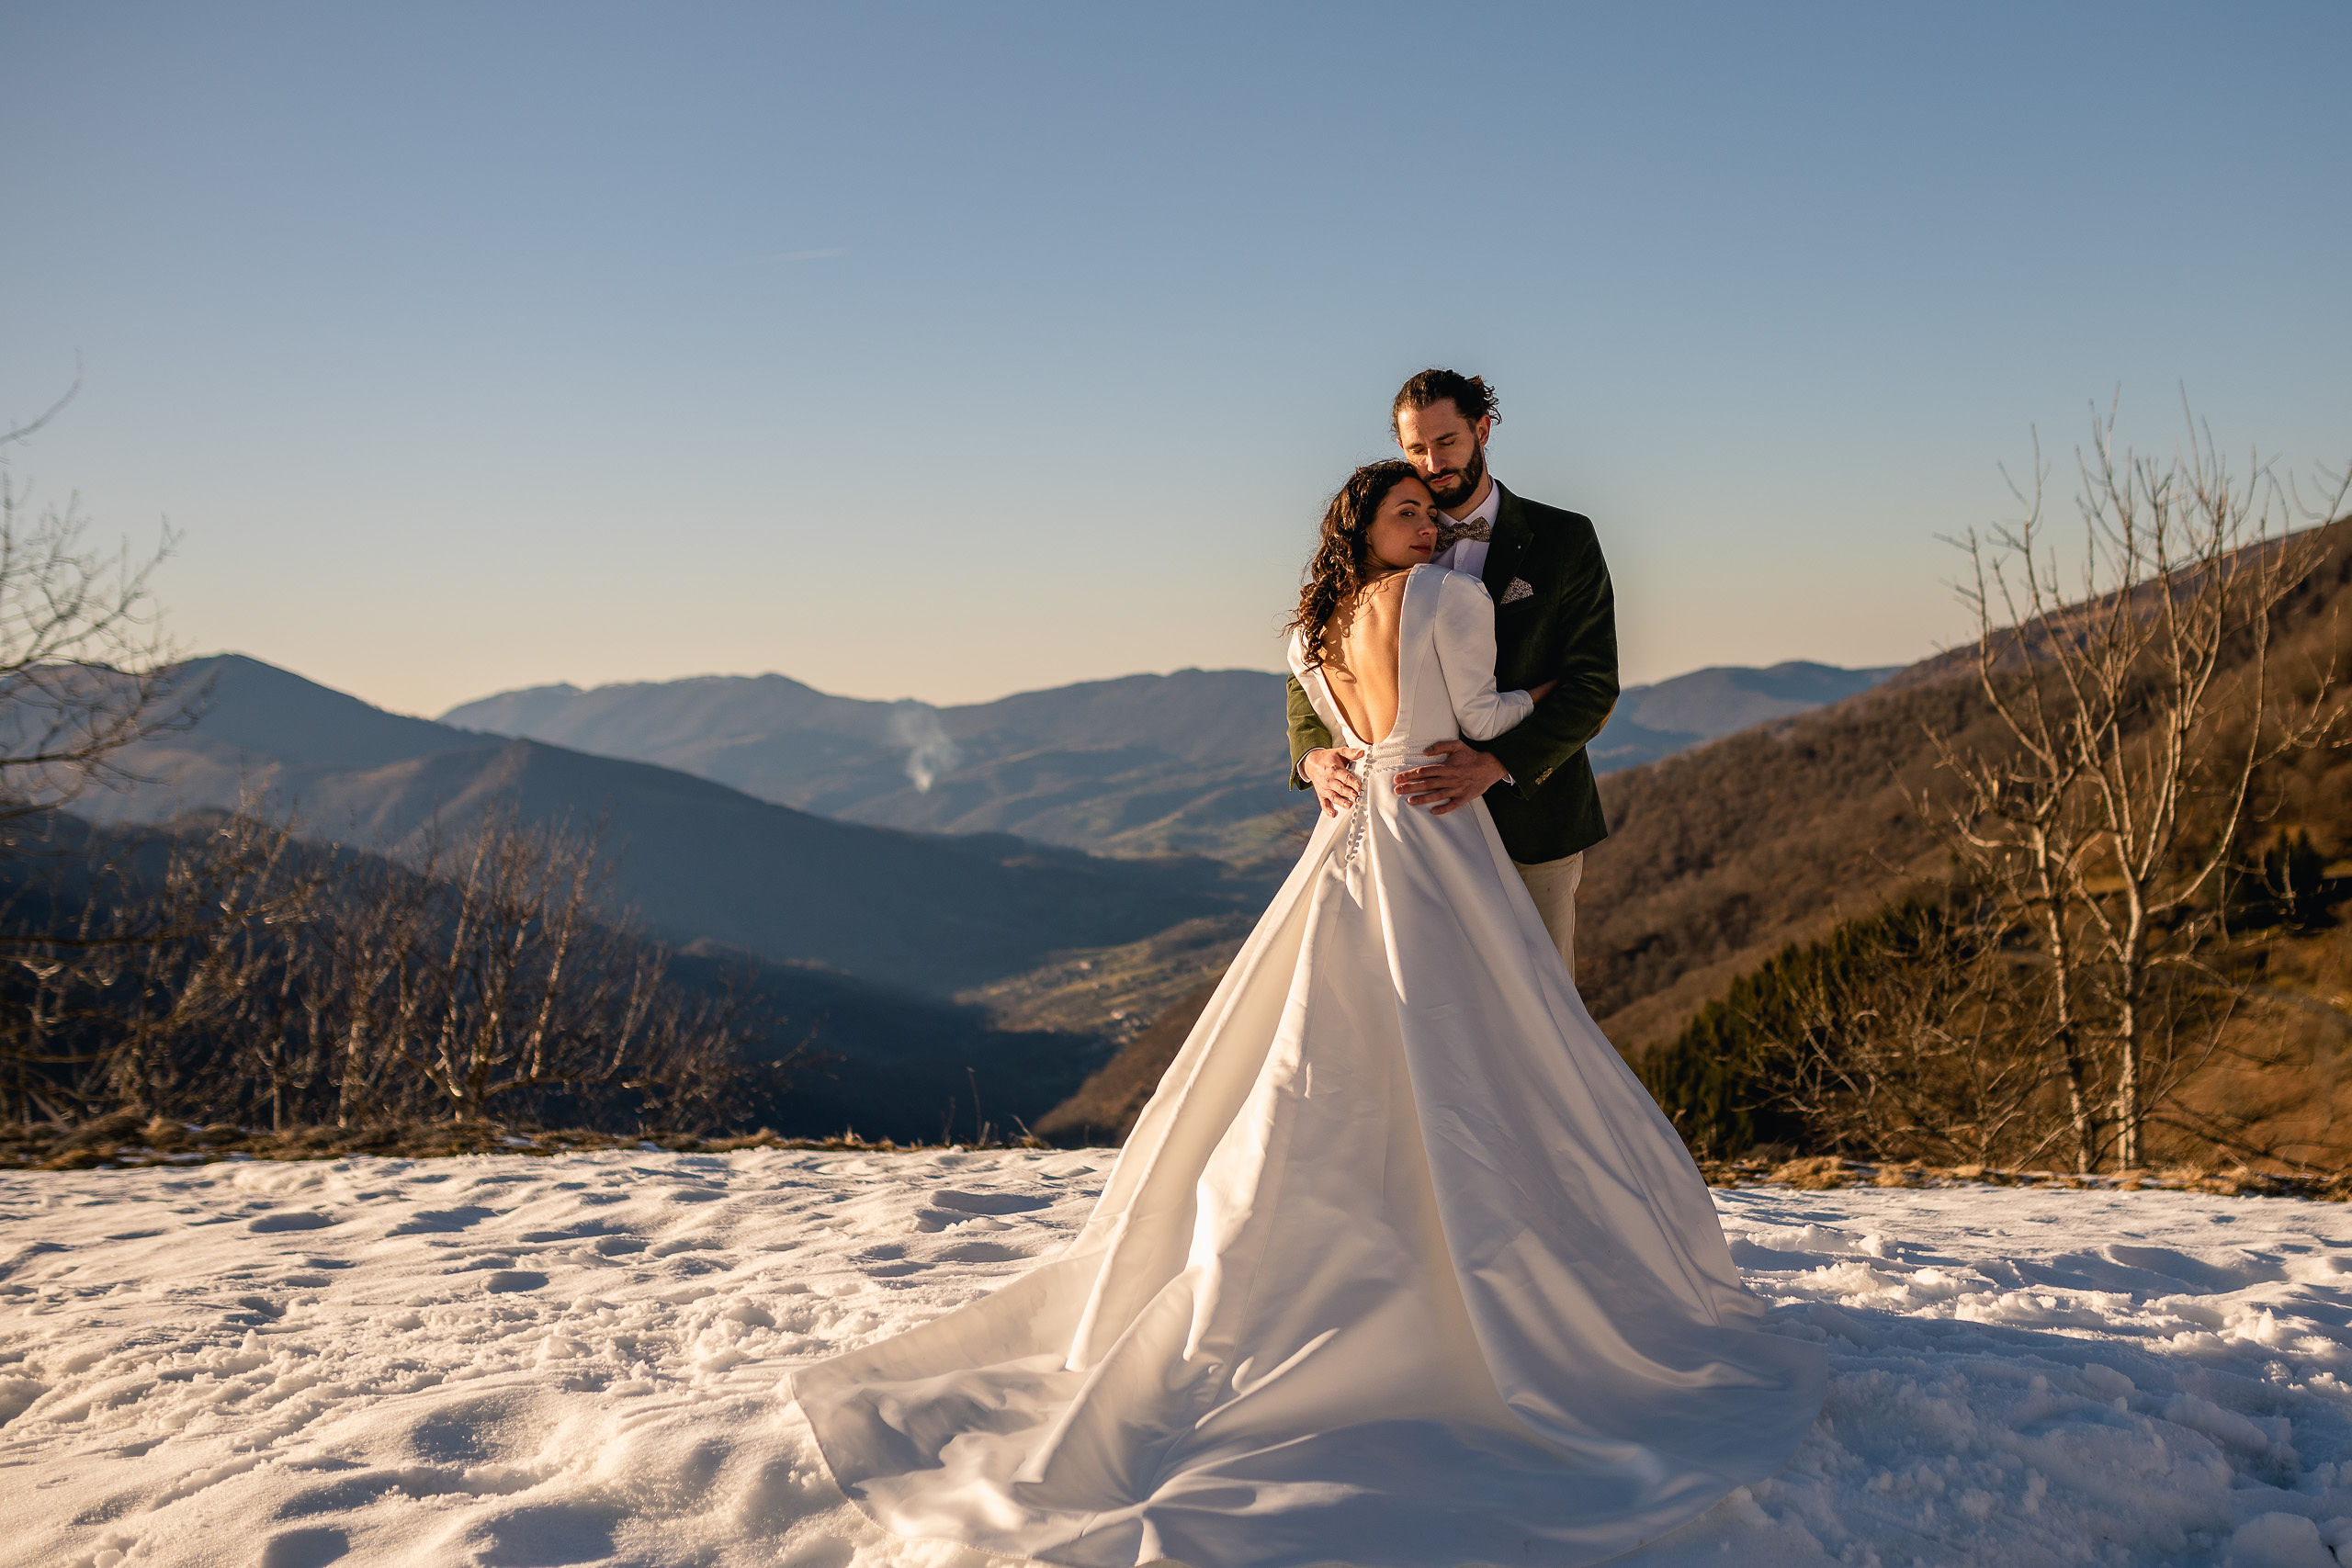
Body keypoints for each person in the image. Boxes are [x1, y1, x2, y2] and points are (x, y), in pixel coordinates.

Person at [792, 457, 1825, 1568]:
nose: (1427, 525)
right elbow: (1479, 714)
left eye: (1430, 509)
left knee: (1316, 1045)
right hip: (1435, 826)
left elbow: (1324, 728)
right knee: (1497, 1046)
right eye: (1407, 511)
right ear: (1368, 526)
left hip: (1351, 829)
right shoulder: (1454, 599)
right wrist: (1525, 710)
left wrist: (1332, 755)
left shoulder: (1310, 627)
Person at [1291, 368, 1614, 977]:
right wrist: (1314, 757)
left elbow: (1595, 683)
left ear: (1482, 430)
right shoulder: (1392, 535)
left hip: (1530, 824)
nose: (1433, 461)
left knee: (1541, 1017)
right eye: (1417, 448)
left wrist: (1498, 763)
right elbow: (1312, 665)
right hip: (1413, 832)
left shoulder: (1564, 539)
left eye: (1447, 441)